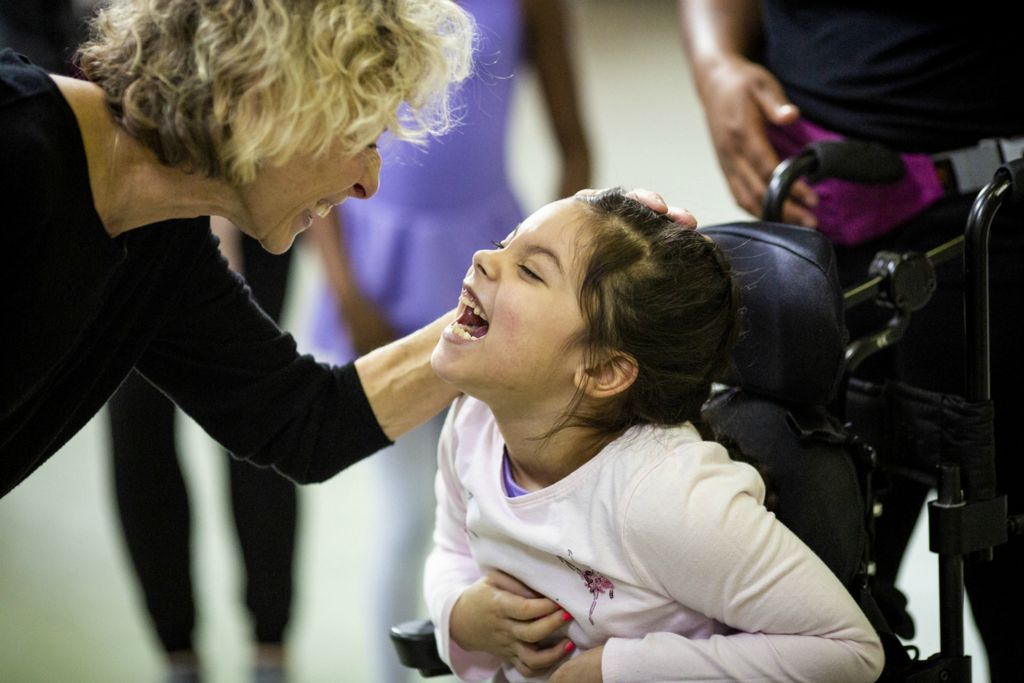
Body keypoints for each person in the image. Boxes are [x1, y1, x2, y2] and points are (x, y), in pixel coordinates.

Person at [0, 0, 475, 500]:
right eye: (361, 136)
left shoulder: (160, 237)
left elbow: (301, 422)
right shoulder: (16, 140)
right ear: (269, 95)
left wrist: (491, 318)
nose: (368, 183)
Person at [677, 2, 1024, 680]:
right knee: (800, 597)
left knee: (1009, 581)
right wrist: (714, 61)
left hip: (993, 216)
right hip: (807, 231)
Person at [422, 188, 885, 682]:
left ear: (602, 370)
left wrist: (616, 670)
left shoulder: (667, 497)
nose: (483, 258)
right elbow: (451, 548)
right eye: (503, 244)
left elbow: (848, 650)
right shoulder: (474, 423)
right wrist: (459, 612)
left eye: (530, 270)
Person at [306, 1, 591, 681]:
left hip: (496, 275)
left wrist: (560, 279)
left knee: (504, 515)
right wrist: (348, 293)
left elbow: (574, 144)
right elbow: (314, 139)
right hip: (377, 276)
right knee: (412, 516)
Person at [106, 217, 299, 683]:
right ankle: (178, 655)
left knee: (256, 414)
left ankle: (269, 652)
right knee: (138, 429)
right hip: (130, 214)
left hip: (243, 190)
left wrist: (217, 225)